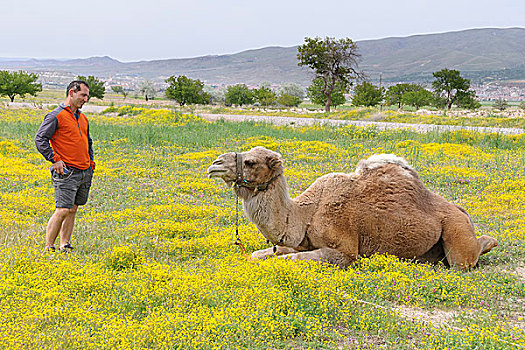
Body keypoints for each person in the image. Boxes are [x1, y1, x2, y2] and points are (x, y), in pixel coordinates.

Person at [35, 80, 95, 252]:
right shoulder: (55, 116)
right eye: (83, 95)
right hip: (66, 172)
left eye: (87, 96)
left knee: (73, 209)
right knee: (62, 209)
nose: (86, 99)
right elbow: (40, 139)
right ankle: (48, 247)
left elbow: (88, 142)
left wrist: (91, 162)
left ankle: (65, 245)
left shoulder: (83, 118)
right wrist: (54, 159)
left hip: (84, 171)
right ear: (71, 93)